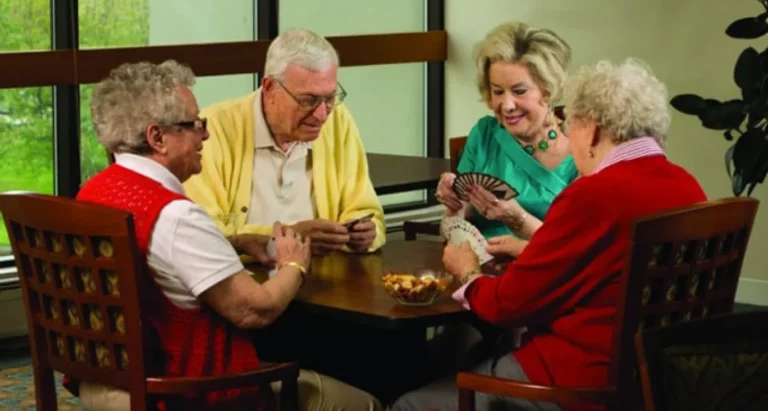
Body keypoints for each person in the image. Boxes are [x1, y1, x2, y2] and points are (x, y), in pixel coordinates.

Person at [391, 58, 708, 411]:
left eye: (572, 128)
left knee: (409, 405)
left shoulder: (593, 195)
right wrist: (530, 254)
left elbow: (506, 306)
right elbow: (609, 272)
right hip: (661, 383)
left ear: (594, 131)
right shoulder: (689, 187)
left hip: (577, 384)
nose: (570, 141)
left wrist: (467, 271)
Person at [70, 60, 382, 411]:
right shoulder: (176, 216)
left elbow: (164, 258)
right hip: (191, 394)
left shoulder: (94, 192)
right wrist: (294, 263)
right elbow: (255, 311)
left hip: (107, 382)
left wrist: (234, 242)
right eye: (194, 124)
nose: (205, 135)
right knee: (367, 402)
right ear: (157, 138)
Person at [182, 28, 385, 262]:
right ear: (270, 88)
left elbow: (364, 206)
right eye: (308, 100)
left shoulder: (338, 121)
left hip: (325, 274)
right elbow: (203, 234)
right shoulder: (213, 130)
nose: (321, 115)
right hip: (242, 276)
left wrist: (365, 233)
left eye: (329, 98)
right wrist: (290, 237)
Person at [435, 21, 578, 250]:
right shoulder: (485, 134)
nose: (507, 105)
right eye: (498, 91)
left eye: (519, 91)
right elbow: (452, 231)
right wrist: (453, 204)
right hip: (478, 264)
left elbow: (576, 249)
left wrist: (518, 220)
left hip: (545, 268)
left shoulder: (582, 151)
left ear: (548, 90)